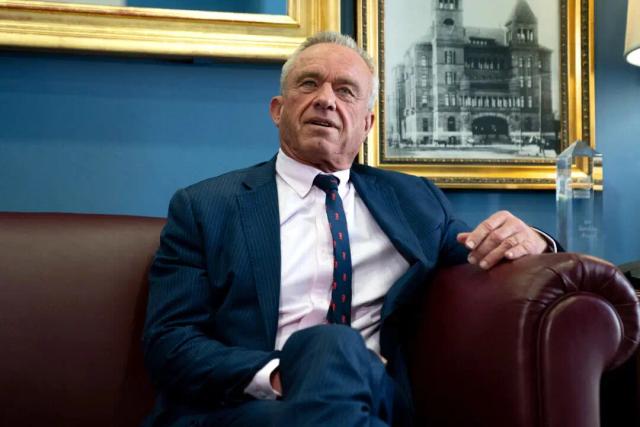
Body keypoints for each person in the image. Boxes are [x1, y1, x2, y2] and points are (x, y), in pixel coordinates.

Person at [142, 32, 554, 427]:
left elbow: (483, 250)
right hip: (247, 407)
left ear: (368, 122)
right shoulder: (206, 207)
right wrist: (284, 374)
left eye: (345, 91)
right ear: (277, 109)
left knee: (337, 347)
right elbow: (170, 341)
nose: (325, 100)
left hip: (376, 392)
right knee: (329, 346)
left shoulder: (414, 201)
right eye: (308, 84)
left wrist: (536, 240)